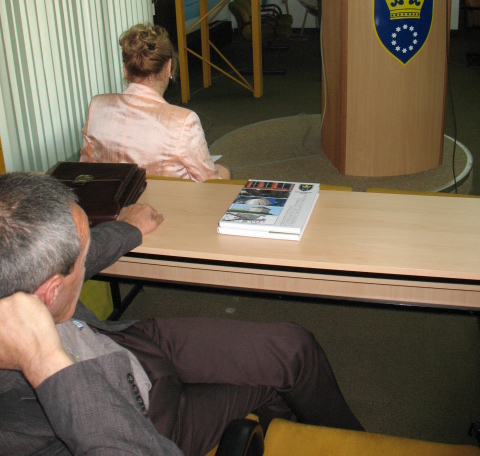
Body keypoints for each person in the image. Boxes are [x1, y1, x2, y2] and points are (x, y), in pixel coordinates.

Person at [0, 172, 363, 456]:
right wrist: (44, 362)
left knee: (292, 349)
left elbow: (66, 259)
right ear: (49, 294)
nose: (89, 258)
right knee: (270, 384)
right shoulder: (17, 409)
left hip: (131, 347)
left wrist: (128, 229)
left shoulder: (19, 277)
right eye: (85, 256)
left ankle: (353, 443)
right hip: (147, 420)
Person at [79, 22, 231, 182]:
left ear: (125, 70)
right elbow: (210, 184)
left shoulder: (97, 106)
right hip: (162, 199)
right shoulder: (184, 122)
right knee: (224, 170)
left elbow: (84, 170)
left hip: (112, 197)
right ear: (168, 67)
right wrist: (224, 172)